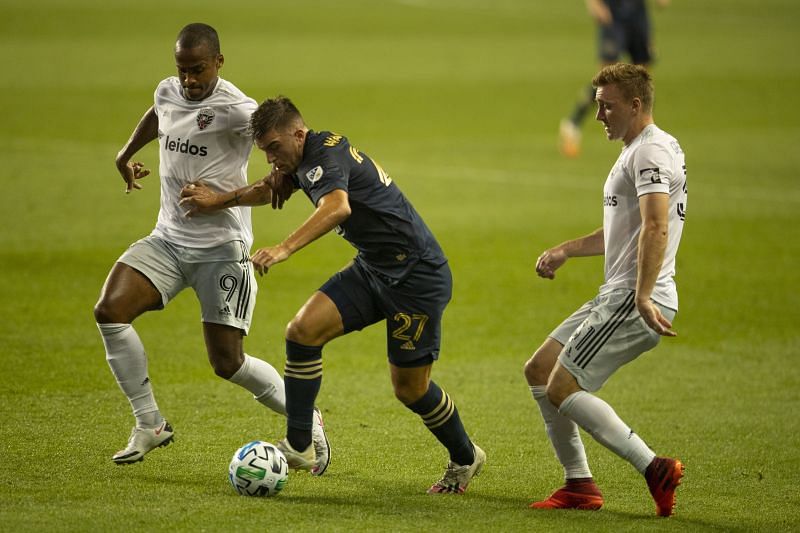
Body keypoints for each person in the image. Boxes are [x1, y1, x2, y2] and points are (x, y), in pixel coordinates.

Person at [179, 96, 486, 494]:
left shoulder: (325, 154)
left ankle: (466, 457)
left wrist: (285, 248)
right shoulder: (301, 159)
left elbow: (338, 207)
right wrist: (217, 201)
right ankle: (300, 444)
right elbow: (269, 188)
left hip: (416, 278)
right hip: (374, 268)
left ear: (298, 133)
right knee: (301, 331)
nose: (271, 158)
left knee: (410, 388)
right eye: (264, 151)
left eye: (274, 147)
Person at [93, 24, 330, 474]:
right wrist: (124, 156)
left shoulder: (238, 111)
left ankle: (307, 419)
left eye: (197, 70)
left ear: (218, 62)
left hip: (222, 247)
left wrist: (268, 182)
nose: (189, 80)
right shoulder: (168, 91)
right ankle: (150, 423)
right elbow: (159, 111)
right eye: (182, 71)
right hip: (167, 239)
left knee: (228, 363)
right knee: (110, 310)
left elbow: (286, 155)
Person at [525, 63, 687, 516]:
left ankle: (654, 467)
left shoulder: (651, 153)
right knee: (540, 370)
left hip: (634, 296)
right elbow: (625, 228)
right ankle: (579, 485)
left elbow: (655, 227)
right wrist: (566, 250)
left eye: (606, 106)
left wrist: (641, 294)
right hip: (620, 292)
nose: (598, 116)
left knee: (563, 386)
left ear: (635, 105)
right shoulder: (644, 147)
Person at [559, 0, 670, 158]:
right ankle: (572, 124)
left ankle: (646, 138)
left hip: (637, 13)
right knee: (605, 79)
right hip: (613, 12)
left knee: (644, 80)